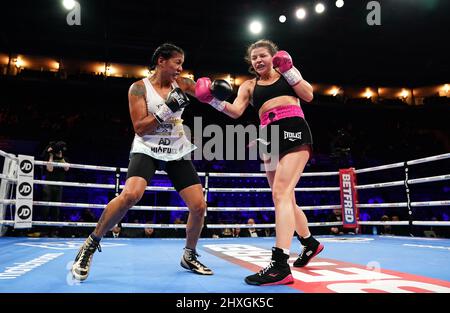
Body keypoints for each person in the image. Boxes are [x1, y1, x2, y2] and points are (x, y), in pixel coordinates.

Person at [71, 43, 227, 281]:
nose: (181, 68)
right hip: (148, 148)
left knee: (199, 206)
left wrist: (217, 93)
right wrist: (168, 109)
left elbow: (207, 97)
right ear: (161, 61)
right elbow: (140, 128)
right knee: (131, 195)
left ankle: (189, 255)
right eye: (177, 62)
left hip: (176, 148)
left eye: (182, 63)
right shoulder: (138, 89)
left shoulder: (183, 84)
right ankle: (91, 244)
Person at [195, 39, 324, 286]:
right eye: (254, 58)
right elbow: (235, 111)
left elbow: (308, 95)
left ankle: (279, 265)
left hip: (293, 130)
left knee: (281, 194)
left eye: (263, 55)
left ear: (273, 57)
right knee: (286, 197)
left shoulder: (286, 75)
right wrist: (210, 100)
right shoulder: (249, 85)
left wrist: (290, 70)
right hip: (268, 137)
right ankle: (309, 242)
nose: (258, 60)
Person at [41, 141, 70, 236]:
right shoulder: (49, 157)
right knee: (46, 207)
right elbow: (50, 169)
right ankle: (44, 230)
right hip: (48, 184)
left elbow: (66, 168)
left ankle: (54, 230)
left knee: (56, 208)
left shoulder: (64, 158)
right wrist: (51, 155)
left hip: (59, 184)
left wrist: (61, 157)